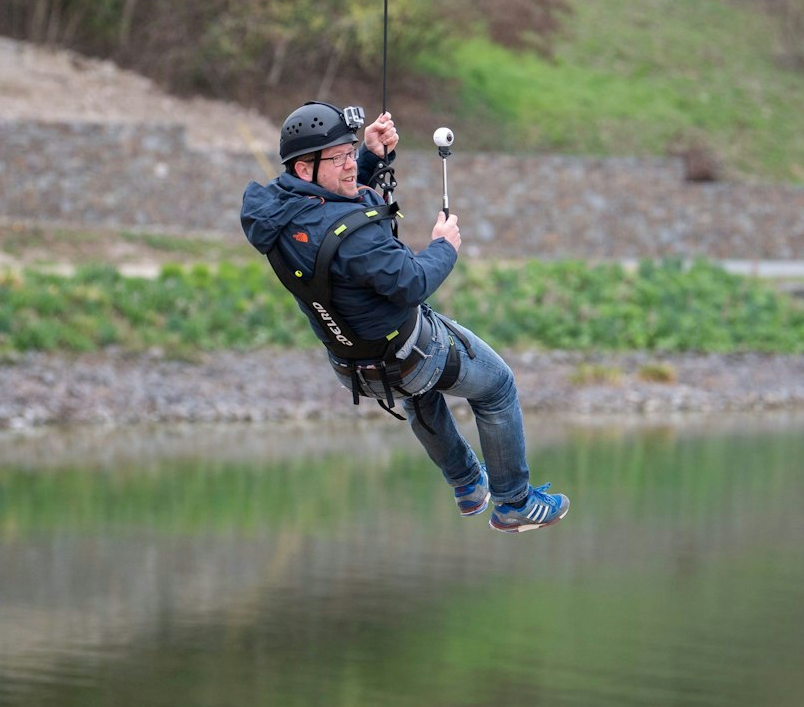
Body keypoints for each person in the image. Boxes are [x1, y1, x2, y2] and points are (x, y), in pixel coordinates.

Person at [240, 101, 570, 533]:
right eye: (338, 157)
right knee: (496, 388)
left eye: (348, 151)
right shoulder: (354, 238)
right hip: (412, 350)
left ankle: (468, 484)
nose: (347, 164)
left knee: (417, 393)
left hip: (353, 364)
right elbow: (412, 282)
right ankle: (514, 503)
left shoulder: (278, 215)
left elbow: (326, 209)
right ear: (305, 169)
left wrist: (371, 157)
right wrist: (444, 246)